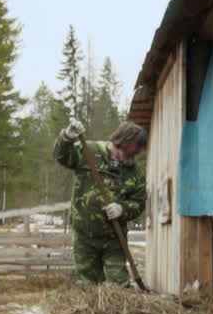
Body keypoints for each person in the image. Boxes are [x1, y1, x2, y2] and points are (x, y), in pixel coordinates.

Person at [53, 119, 148, 285]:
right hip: (85, 236)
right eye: (129, 152)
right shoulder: (89, 152)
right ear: (121, 141)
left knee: (118, 284)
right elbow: (61, 156)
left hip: (114, 238)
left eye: (136, 153)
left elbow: (139, 202)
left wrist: (122, 209)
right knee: (87, 285)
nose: (132, 157)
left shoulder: (134, 171)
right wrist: (67, 137)